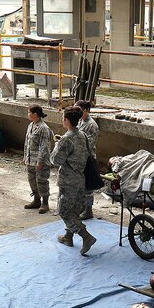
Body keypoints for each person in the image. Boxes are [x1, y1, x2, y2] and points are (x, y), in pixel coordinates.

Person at [51, 107, 96, 255]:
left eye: (63, 118)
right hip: (81, 179)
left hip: (68, 181)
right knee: (75, 209)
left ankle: (85, 236)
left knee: (64, 211)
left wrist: (57, 144)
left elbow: (55, 160)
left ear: (67, 120)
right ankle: (68, 237)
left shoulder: (66, 139)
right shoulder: (82, 135)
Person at [23, 104, 54, 213]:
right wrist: (25, 157)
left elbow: (44, 146)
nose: (28, 114)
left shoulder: (43, 128)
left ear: (35, 114)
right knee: (32, 181)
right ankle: (36, 200)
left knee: (41, 181)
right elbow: (27, 143)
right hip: (30, 160)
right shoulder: (31, 125)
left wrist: (40, 161)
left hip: (40, 161)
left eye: (29, 112)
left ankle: (45, 203)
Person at [77, 100, 98, 220]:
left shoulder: (91, 125)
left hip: (88, 158)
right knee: (80, 185)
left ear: (85, 111)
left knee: (88, 187)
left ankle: (88, 210)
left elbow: (89, 144)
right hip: (80, 158)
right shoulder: (80, 121)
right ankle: (82, 207)